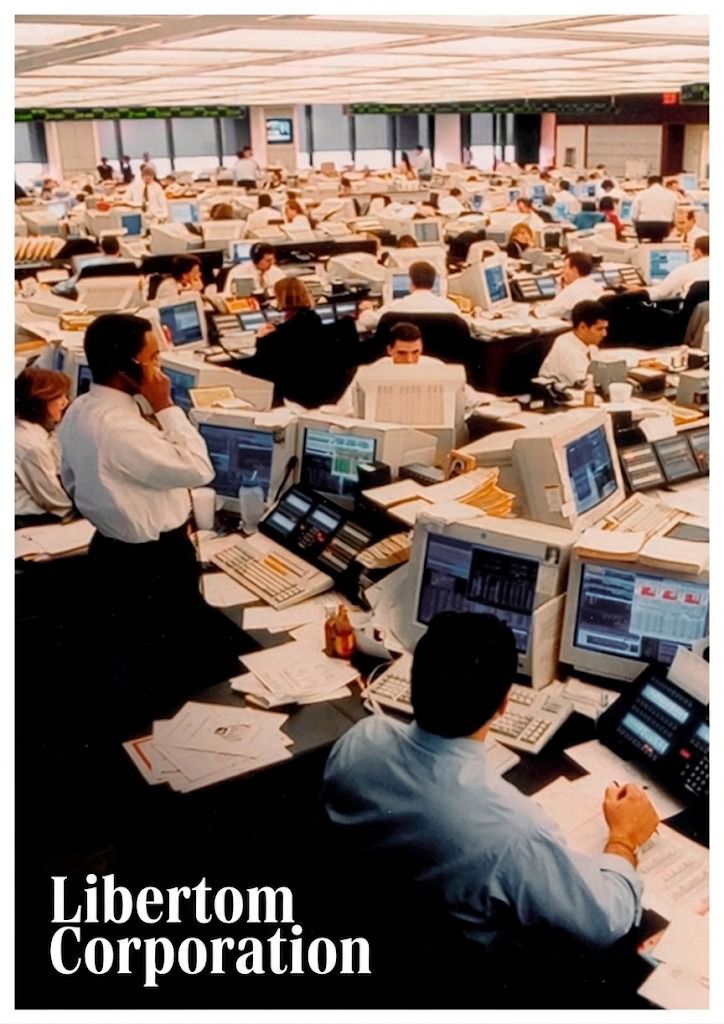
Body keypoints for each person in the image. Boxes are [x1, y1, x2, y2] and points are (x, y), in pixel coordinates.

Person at [323, 611, 657, 951]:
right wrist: (624, 839)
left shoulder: (362, 740)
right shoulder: (514, 832)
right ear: (504, 703)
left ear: (413, 681)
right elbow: (605, 921)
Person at [57, 313, 244, 703]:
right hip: (154, 563)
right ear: (128, 369)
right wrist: (165, 407)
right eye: (154, 358)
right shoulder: (121, 428)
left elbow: (70, 479)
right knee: (173, 671)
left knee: (139, 658)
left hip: (111, 551)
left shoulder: (80, 410)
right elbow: (199, 469)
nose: (161, 370)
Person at [15, 368, 73, 525]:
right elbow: (57, 503)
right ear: (39, 401)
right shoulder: (31, 446)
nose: (65, 402)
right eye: (59, 397)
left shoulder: (25, 430)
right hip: (24, 519)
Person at [358, 260, 461, 331]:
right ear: (433, 283)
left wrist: (367, 310)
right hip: (443, 361)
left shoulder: (394, 308)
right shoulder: (450, 308)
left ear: (411, 282)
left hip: (404, 361)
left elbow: (366, 322)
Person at [538, 300, 609, 387]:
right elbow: (587, 384)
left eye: (605, 328)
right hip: (558, 395)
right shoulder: (567, 349)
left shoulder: (589, 344)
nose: (604, 334)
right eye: (599, 329)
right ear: (582, 327)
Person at [628, 235, 709, 302]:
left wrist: (640, 289)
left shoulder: (687, 269)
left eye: (693, 251)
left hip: (686, 318)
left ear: (698, 252)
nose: (692, 255)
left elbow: (661, 293)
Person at [533, 251, 603, 320]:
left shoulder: (572, 290)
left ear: (574, 270)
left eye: (565, 267)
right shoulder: (595, 286)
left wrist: (534, 308)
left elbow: (545, 312)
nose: (562, 271)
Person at [631, 175, 678, 242]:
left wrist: (635, 225)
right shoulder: (672, 195)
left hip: (644, 227)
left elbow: (634, 216)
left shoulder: (641, 194)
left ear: (648, 184)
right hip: (664, 227)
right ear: (662, 184)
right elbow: (675, 215)